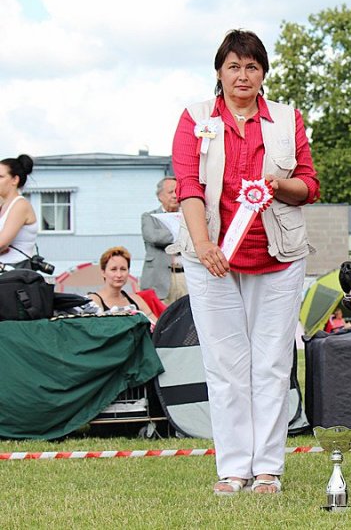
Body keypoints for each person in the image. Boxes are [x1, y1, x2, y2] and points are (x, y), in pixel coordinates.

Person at [171, 29, 319, 496]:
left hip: (277, 258)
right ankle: (233, 469)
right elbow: (188, 186)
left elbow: (310, 187)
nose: (242, 74)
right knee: (224, 365)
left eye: (252, 66)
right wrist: (204, 244)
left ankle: (268, 469)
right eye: (234, 66)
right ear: (219, 71)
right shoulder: (195, 118)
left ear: (263, 74)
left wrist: (278, 183)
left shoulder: (287, 119)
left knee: (272, 364)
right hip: (211, 259)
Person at [140, 176, 187, 304]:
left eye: (177, 191)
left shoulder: (188, 216)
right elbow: (153, 237)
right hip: (160, 280)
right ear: (160, 196)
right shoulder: (149, 217)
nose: (174, 196)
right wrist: (182, 234)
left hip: (186, 277)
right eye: (170, 192)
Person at [87, 246, 157, 324]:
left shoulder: (136, 300)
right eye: (113, 269)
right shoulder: (93, 301)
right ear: (103, 272)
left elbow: (156, 327)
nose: (119, 275)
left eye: (123, 269)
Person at [0, 155, 38, 268]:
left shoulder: (20, 205)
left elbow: (1, 243)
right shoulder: (4, 206)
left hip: (14, 274)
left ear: (15, 180)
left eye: (0, 176)